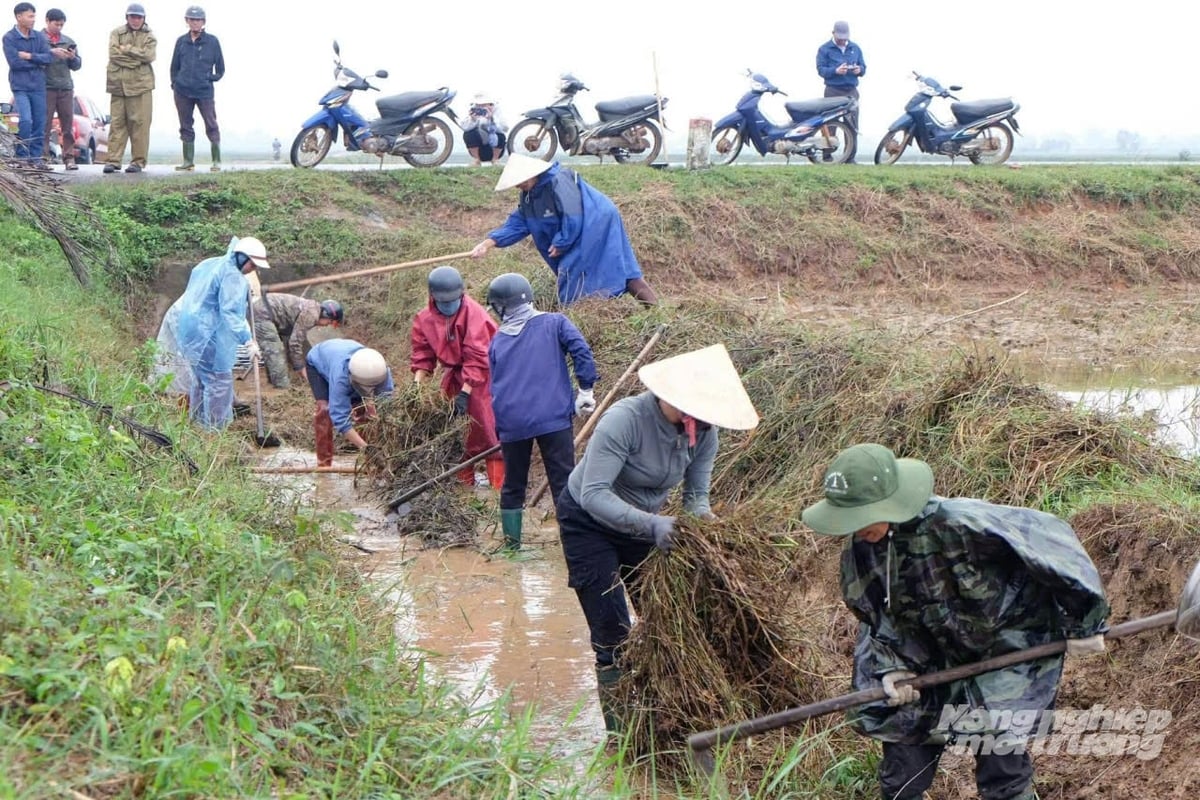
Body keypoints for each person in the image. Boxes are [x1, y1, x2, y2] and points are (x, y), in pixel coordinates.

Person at [801, 443, 1111, 800]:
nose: (855, 530)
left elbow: (1053, 545)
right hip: (924, 656)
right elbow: (873, 612)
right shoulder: (863, 547)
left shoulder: (961, 522)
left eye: (861, 517)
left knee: (1001, 765)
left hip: (1004, 647)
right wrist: (893, 667)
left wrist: (1084, 619)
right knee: (902, 768)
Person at [555, 343, 759, 733]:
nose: (701, 421)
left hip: (644, 525)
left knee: (665, 616)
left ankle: (662, 718)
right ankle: (621, 739)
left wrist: (710, 533)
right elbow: (594, 494)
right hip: (588, 521)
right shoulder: (625, 420)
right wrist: (652, 525)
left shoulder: (703, 433)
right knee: (613, 634)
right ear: (674, 399)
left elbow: (696, 498)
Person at [485, 272, 597, 550]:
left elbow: (495, 387)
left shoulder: (497, 341)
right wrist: (585, 389)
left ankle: (512, 548)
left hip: (513, 424)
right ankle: (574, 545)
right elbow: (581, 351)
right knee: (563, 481)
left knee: (513, 484)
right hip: (553, 420)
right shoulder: (556, 323)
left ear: (502, 307)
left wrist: (501, 429)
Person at [469, 154, 658, 306]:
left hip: (597, 222)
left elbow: (572, 215)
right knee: (618, 268)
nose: (519, 185)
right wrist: (488, 243)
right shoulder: (529, 195)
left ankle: (576, 317)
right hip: (580, 229)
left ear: (533, 173)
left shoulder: (559, 180)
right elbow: (519, 223)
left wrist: (562, 241)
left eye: (521, 181)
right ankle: (650, 310)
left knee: (572, 273)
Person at [410, 265, 503, 488]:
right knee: (456, 434)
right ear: (433, 297)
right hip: (453, 379)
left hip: (483, 379)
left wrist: (465, 394)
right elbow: (422, 354)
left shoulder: (475, 314)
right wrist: (416, 387)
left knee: (488, 429)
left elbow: (478, 357)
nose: (449, 305)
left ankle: (498, 488)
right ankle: (464, 488)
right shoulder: (424, 319)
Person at [174, 236, 270, 430]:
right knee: (218, 383)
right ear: (242, 258)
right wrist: (248, 340)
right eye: (253, 265)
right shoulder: (233, 276)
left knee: (201, 381)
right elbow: (232, 313)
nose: (254, 269)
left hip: (191, 332)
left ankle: (197, 429)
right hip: (210, 335)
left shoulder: (212, 264)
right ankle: (215, 435)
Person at [306, 338, 393, 466]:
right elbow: (340, 420)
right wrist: (366, 449)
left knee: (363, 410)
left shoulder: (382, 373)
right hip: (319, 362)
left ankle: (370, 462)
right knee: (325, 410)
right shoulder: (341, 378)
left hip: (346, 356)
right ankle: (324, 463)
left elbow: (386, 406)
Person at [3, 1, 60, 169]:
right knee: (26, 120)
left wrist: (28, 56)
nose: (33, 19)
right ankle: (22, 158)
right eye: (30, 16)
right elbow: (14, 63)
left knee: (39, 122)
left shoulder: (39, 36)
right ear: (19, 17)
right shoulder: (9, 38)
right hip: (20, 86)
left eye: (34, 16)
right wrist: (37, 61)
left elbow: (48, 59)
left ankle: (35, 159)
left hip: (38, 86)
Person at [169, 5, 224, 172]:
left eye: (198, 20)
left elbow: (220, 69)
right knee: (185, 125)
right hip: (183, 91)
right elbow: (174, 66)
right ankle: (188, 161)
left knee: (211, 123)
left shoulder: (212, 41)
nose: (195, 23)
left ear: (203, 22)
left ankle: (216, 160)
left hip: (204, 91)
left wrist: (209, 78)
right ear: (187, 21)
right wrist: (175, 83)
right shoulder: (181, 41)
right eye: (191, 20)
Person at [103, 3, 155, 174]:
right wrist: (135, 59)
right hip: (117, 85)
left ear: (143, 18)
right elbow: (113, 54)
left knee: (139, 125)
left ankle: (138, 162)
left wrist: (128, 49)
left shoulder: (149, 36)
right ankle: (113, 161)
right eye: (132, 16)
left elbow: (149, 55)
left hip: (140, 86)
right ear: (127, 17)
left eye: (139, 17)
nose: (135, 20)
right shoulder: (116, 33)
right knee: (117, 124)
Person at [252, 293, 343, 389]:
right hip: (263, 313)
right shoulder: (311, 315)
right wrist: (301, 368)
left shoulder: (312, 309)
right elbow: (295, 343)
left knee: (275, 350)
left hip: (267, 311)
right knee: (275, 351)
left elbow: (291, 341)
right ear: (325, 315)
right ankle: (282, 389)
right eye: (329, 322)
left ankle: (274, 382)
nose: (327, 325)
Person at [815, 20, 865, 161]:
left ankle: (849, 158)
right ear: (833, 34)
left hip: (851, 91)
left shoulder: (855, 48)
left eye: (845, 37)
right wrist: (835, 71)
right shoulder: (824, 49)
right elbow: (821, 70)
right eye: (840, 38)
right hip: (833, 91)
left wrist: (859, 70)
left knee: (852, 124)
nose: (843, 40)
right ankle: (827, 155)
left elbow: (864, 67)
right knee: (830, 123)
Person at [41, 7, 80, 169]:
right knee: (45, 125)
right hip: (46, 87)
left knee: (67, 125)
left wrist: (72, 58)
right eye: (56, 24)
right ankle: (43, 158)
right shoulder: (38, 39)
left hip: (65, 87)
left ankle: (69, 158)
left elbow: (77, 65)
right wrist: (52, 53)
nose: (59, 28)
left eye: (61, 25)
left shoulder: (68, 40)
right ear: (48, 21)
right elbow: (34, 59)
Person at [460, 91, 507, 166]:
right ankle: (476, 160)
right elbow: (465, 128)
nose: (481, 107)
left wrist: (492, 118)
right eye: (479, 105)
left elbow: (505, 128)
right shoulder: (474, 110)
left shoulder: (497, 110)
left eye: (484, 105)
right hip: (479, 148)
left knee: (500, 135)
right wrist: (473, 119)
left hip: (494, 148)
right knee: (468, 134)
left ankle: (495, 160)